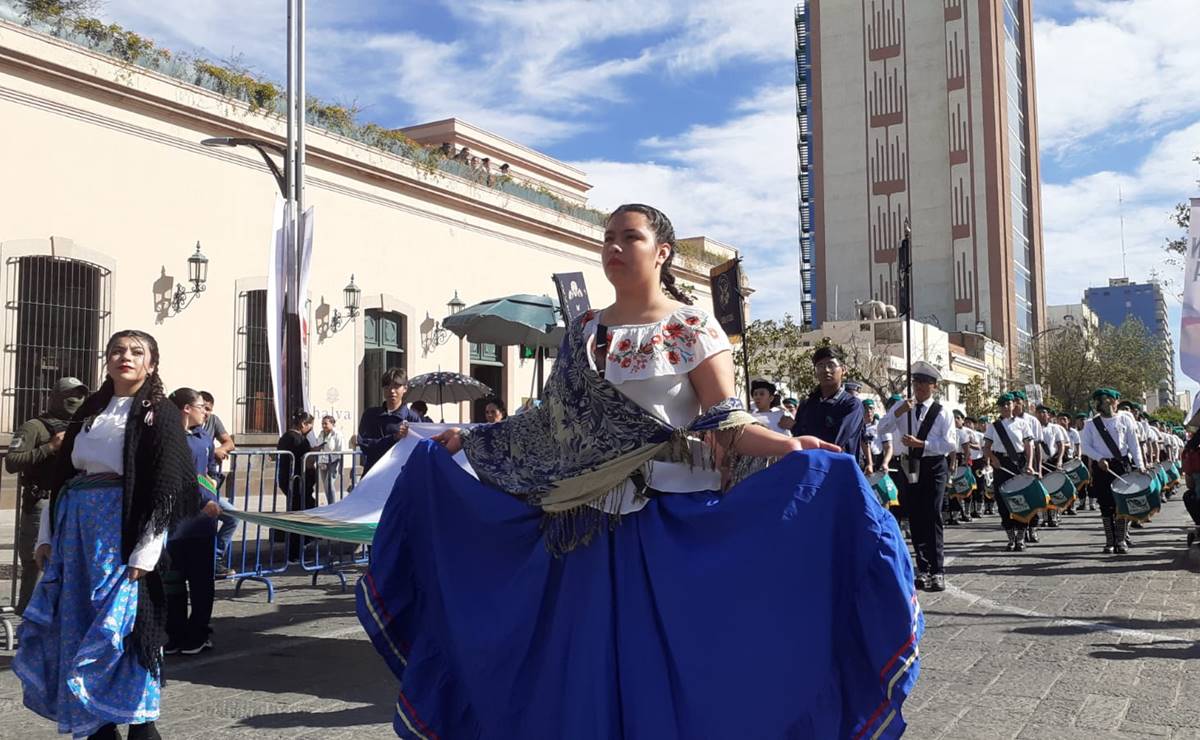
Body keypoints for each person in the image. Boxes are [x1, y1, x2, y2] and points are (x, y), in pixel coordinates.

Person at [356, 203, 922, 738]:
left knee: (677, 666)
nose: (615, 248)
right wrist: (474, 438)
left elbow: (725, 423)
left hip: (667, 525)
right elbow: (552, 428)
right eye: (607, 238)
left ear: (663, 252)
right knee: (581, 667)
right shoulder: (581, 332)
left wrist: (788, 446)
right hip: (584, 529)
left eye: (630, 237)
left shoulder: (692, 327)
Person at [13, 330, 197, 740]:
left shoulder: (160, 412)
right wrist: (47, 535)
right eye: (117, 350)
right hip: (77, 535)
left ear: (151, 363)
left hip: (122, 533)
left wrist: (146, 552)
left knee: (122, 626)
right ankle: (97, 725)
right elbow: (65, 479)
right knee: (78, 625)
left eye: (136, 352)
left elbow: (166, 487)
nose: (124, 357)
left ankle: (139, 723)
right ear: (107, 360)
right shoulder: (91, 410)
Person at [6, 376, 88, 615]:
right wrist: (50, 447)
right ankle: (28, 616)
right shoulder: (34, 426)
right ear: (55, 397)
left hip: (72, 501)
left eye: (80, 395)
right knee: (36, 561)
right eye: (69, 395)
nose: (76, 400)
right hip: (42, 501)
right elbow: (12, 462)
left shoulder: (81, 426)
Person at [876, 361, 957, 591]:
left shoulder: (942, 411)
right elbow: (881, 429)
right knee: (915, 516)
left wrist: (923, 443)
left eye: (924, 383)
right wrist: (897, 413)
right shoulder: (904, 407)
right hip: (909, 466)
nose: (919, 387)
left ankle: (937, 569)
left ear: (934, 387)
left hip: (933, 466)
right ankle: (922, 568)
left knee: (932, 515)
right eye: (916, 382)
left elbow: (950, 443)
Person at [164, 388, 220, 656]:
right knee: (172, 581)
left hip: (201, 523)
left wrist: (212, 488)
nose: (205, 411)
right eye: (201, 406)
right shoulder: (167, 438)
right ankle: (174, 633)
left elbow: (209, 471)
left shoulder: (204, 437)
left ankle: (198, 632)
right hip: (173, 522)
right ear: (186, 408)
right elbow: (178, 477)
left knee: (200, 583)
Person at [1081, 388, 1145, 554]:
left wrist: (1140, 465)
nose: (1107, 404)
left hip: (1121, 465)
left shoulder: (1125, 419)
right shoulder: (1091, 424)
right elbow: (1085, 447)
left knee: (1122, 503)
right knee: (1106, 504)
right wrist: (1099, 458)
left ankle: (1121, 539)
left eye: (1110, 400)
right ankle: (1110, 541)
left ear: (1116, 401)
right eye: (1102, 401)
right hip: (1101, 467)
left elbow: (1134, 444)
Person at [791, 346, 866, 465]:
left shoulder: (851, 405)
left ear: (843, 369)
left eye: (831, 365)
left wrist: (797, 428)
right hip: (808, 469)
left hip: (839, 471)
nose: (826, 370)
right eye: (820, 366)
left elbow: (835, 443)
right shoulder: (807, 404)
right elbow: (797, 439)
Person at [983, 394, 1036, 551]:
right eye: (1002, 404)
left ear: (1014, 405)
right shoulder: (994, 426)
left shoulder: (1023, 424)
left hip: (1018, 463)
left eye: (1008, 404)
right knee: (1002, 501)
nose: (1005, 407)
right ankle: (1011, 538)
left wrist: (1030, 464)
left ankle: (1021, 538)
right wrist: (993, 459)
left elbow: (1029, 447)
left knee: (1021, 500)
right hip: (1001, 464)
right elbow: (986, 448)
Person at [199, 390, 238, 576]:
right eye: (203, 408)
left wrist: (218, 449)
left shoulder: (213, 421)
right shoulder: (185, 426)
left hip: (209, 487)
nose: (205, 413)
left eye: (208, 409)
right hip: (192, 488)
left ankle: (214, 560)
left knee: (232, 516)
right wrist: (211, 450)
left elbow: (229, 442)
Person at [357, 368, 421, 473]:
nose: (392, 391)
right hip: (373, 474)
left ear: (405, 388)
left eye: (396, 386)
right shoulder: (370, 415)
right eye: (387, 386)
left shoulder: (412, 418)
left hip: (401, 476)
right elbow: (365, 445)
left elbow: (419, 448)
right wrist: (394, 437)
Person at [277, 410, 316, 560]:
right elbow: (304, 458)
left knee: (302, 510)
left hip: (290, 481)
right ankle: (295, 552)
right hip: (298, 482)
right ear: (303, 424)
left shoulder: (286, 437)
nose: (311, 428)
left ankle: (300, 547)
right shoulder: (297, 438)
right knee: (300, 515)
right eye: (310, 425)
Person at [1036, 405, 1069, 527]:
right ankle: (1044, 517)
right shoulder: (1033, 428)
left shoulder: (1055, 428)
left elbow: (1061, 445)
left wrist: (1059, 460)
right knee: (1042, 491)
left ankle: (1054, 516)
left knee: (1053, 489)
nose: (1041, 415)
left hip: (1052, 461)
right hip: (1039, 463)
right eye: (1039, 412)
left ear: (1049, 415)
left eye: (1044, 412)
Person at [316, 415, 346, 506]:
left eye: (326, 423)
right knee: (326, 486)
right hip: (323, 462)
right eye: (322, 423)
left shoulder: (337, 434)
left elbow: (341, 450)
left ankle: (333, 505)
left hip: (333, 461)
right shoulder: (321, 433)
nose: (323, 425)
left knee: (328, 483)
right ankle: (330, 504)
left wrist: (341, 466)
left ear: (332, 424)